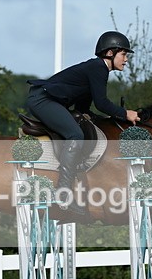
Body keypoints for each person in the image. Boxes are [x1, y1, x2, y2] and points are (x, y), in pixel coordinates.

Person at [25, 31, 140, 214]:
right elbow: (102, 103)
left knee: (82, 129)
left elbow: (83, 108)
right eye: (124, 54)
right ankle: (63, 194)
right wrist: (125, 114)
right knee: (75, 135)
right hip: (42, 100)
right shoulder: (98, 68)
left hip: (48, 99)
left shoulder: (97, 69)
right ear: (110, 53)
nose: (126, 59)